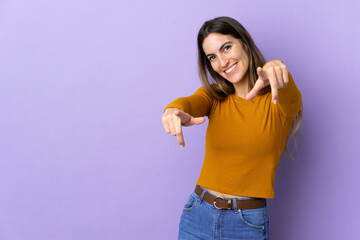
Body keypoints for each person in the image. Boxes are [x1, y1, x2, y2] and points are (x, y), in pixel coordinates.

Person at [162, 16, 303, 240]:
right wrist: (172, 110)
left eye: (226, 48)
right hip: (197, 213)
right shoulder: (214, 96)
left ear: (245, 41)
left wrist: (276, 68)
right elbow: (188, 103)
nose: (222, 62)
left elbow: (287, 89)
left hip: (246, 224)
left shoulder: (279, 102)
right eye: (212, 57)